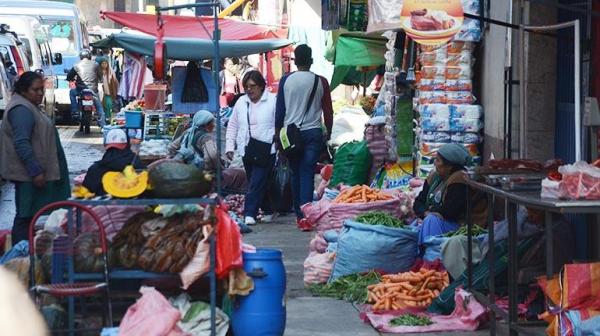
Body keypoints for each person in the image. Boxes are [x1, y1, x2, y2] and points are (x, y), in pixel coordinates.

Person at [0, 71, 70, 244]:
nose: (40, 93)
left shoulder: (29, 105)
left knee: (32, 216)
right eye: (35, 90)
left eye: (42, 90)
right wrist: (35, 171)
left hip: (35, 174)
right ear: (24, 90)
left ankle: (28, 252)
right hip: (29, 176)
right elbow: (22, 143)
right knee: (26, 215)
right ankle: (21, 253)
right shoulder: (21, 110)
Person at [275, 44, 334, 231]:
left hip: (291, 134)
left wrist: (278, 136)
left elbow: (280, 112)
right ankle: (307, 217)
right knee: (307, 172)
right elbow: (328, 111)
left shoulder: (286, 81)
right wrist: (329, 132)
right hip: (312, 133)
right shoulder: (321, 81)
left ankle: (299, 215)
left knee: (295, 172)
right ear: (311, 60)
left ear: (295, 60)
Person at [413, 143, 487, 248]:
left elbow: (450, 211)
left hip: (463, 226)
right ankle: (426, 257)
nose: (435, 163)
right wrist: (426, 212)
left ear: (449, 165)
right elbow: (418, 202)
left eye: (438, 160)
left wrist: (429, 210)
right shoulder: (435, 177)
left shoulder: (460, 178)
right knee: (422, 223)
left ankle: (432, 258)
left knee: (431, 221)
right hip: (444, 222)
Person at [226, 70, 276, 226]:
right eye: (246, 87)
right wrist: (229, 146)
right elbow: (233, 124)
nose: (249, 90)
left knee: (256, 182)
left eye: (253, 86)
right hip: (246, 148)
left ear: (261, 86)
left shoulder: (273, 101)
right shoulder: (241, 102)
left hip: (267, 148)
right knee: (260, 182)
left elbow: (280, 123)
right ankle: (268, 210)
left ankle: (249, 213)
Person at [82, 129, 145, 196]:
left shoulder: (95, 168)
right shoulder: (137, 163)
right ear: (127, 145)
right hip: (135, 204)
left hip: (103, 205)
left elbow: (86, 192)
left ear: (106, 146)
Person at [67, 48, 105, 131]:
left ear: (81, 57)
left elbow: (69, 76)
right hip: (93, 90)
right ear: (89, 56)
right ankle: (103, 126)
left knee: (72, 93)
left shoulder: (76, 65)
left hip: (80, 90)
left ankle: (75, 111)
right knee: (99, 107)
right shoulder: (96, 64)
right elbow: (101, 76)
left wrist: (70, 79)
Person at [97, 56, 119, 122]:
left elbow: (115, 82)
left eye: (105, 63)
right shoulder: (98, 72)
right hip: (101, 93)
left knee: (108, 106)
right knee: (102, 107)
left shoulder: (110, 72)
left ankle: (107, 119)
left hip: (109, 93)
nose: (104, 65)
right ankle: (103, 120)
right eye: (102, 63)